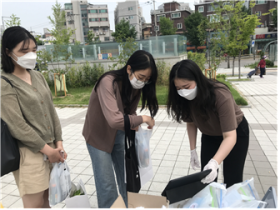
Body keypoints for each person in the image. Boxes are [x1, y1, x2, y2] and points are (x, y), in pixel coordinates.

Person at [1, 26, 67, 208]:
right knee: (34, 205)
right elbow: (17, 125)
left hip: (53, 149)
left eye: (34, 50)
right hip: (30, 154)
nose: (31, 55)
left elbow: (51, 111)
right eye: (24, 51)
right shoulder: (4, 82)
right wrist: (48, 151)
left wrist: (59, 145)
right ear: (8, 52)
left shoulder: (37, 76)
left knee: (48, 202)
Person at [83, 50, 159, 208]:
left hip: (120, 134)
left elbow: (129, 112)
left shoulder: (135, 86)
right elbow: (114, 119)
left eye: (146, 79)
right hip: (98, 138)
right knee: (107, 185)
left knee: (127, 179)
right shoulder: (108, 82)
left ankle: (128, 206)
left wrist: (135, 123)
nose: (142, 82)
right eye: (140, 77)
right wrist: (143, 119)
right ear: (129, 69)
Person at [167, 60, 249, 188]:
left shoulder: (220, 94)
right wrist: (192, 150)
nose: (183, 92)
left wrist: (215, 163)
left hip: (235, 133)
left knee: (232, 179)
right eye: (178, 88)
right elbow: (191, 123)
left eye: (186, 86)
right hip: (210, 135)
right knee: (206, 179)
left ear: (198, 80)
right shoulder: (184, 99)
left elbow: (230, 137)